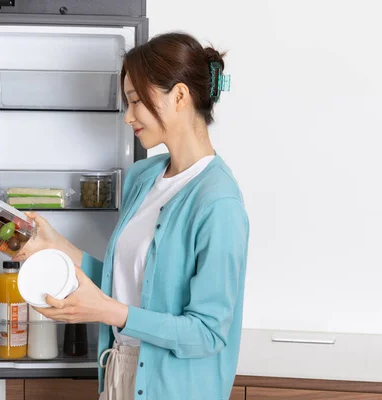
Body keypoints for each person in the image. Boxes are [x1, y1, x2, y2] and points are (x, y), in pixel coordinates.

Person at [13, 32, 249, 400]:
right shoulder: (144, 178)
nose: (128, 116)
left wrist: (109, 311)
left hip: (174, 387)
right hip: (119, 371)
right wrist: (56, 247)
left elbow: (208, 334)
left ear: (181, 96)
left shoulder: (218, 202)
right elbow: (127, 281)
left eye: (136, 101)